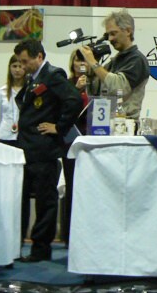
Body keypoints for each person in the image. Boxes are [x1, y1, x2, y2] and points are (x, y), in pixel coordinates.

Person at [14, 38, 82, 262]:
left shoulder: (52, 75)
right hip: (28, 147)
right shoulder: (33, 78)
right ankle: (18, 245)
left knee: (45, 201)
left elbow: (74, 100)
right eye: (20, 62)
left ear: (39, 56)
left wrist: (59, 127)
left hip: (44, 149)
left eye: (26, 61)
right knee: (24, 199)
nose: (23, 66)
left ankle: (41, 249)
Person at [80, 9, 150, 120]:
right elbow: (95, 93)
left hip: (125, 123)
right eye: (108, 35)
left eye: (113, 33)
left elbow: (118, 88)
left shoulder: (137, 59)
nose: (110, 39)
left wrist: (93, 62)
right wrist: (91, 72)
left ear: (128, 31)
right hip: (105, 121)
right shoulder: (114, 61)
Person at [60, 48, 95, 247]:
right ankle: (68, 235)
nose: (81, 64)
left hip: (93, 140)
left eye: (84, 61)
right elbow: (63, 110)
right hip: (72, 140)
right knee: (72, 188)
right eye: (77, 60)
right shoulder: (66, 84)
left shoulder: (97, 82)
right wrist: (76, 90)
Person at [0, 54, 26, 147]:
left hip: (23, 137)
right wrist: (1, 131)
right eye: (14, 66)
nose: (17, 70)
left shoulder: (29, 90)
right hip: (5, 137)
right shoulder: (1, 91)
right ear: (10, 68)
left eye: (20, 66)